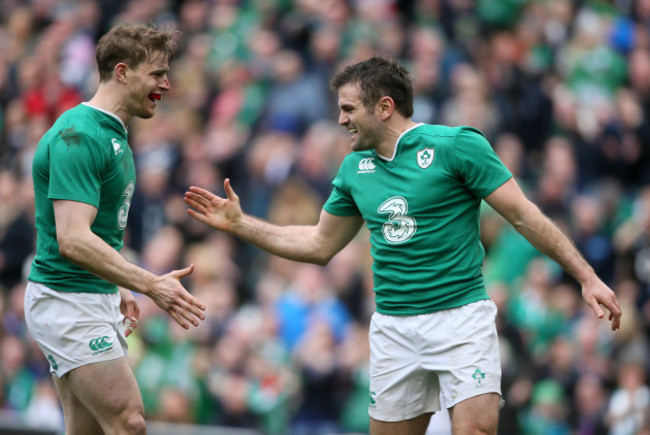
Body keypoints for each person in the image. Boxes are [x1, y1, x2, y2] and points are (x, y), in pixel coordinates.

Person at [184, 56, 622, 435]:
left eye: (348, 109)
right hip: (395, 327)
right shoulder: (355, 169)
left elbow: (525, 215)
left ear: (385, 107)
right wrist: (241, 225)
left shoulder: (457, 146)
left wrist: (586, 277)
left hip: (462, 319)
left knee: (475, 430)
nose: (340, 120)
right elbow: (318, 244)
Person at [25, 24, 206, 435]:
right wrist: (150, 284)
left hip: (89, 295)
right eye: (157, 74)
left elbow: (97, 233)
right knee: (129, 421)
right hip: (67, 300)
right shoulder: (80, 135)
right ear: (122, 72)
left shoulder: (112, 135)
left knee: (86, 430)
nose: (167, 83)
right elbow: (72, 238)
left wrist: (118, 285)